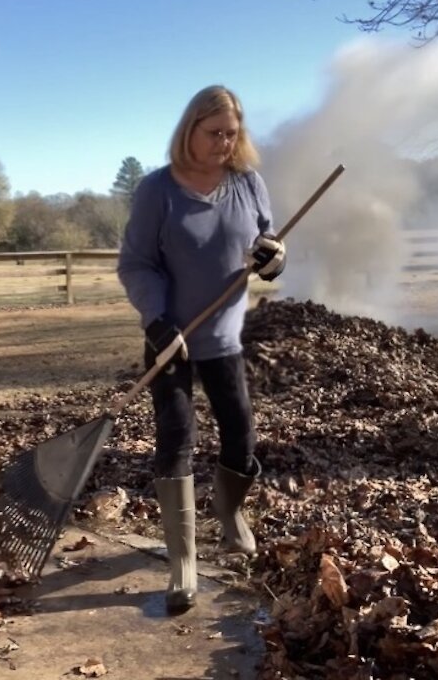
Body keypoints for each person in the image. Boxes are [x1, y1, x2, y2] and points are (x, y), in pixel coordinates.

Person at [117, 85, 286, 614]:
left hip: (224, 338)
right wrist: (158, 321)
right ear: (189, 130)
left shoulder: (248, 183)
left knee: (241, 431)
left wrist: (273, 258)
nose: (223, 143)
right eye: (213, 133)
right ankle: (183, 561)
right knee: (176, 436)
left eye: (232, 134)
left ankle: (231, 512)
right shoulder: (157, 191)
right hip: (171, 339)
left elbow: (268, 246)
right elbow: (136, 263)